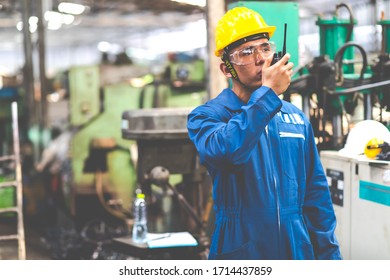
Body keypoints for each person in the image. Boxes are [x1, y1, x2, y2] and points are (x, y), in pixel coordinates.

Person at [187, 6, 342, 260]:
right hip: (242, 250)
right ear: (227, 69)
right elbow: (229, 152)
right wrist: (268, 95)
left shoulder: (295, 117)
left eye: (265, 48)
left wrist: (330, 258)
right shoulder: (206, 117)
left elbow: (316, 196)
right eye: (247, 52)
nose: (261, 58)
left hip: (296, 250)